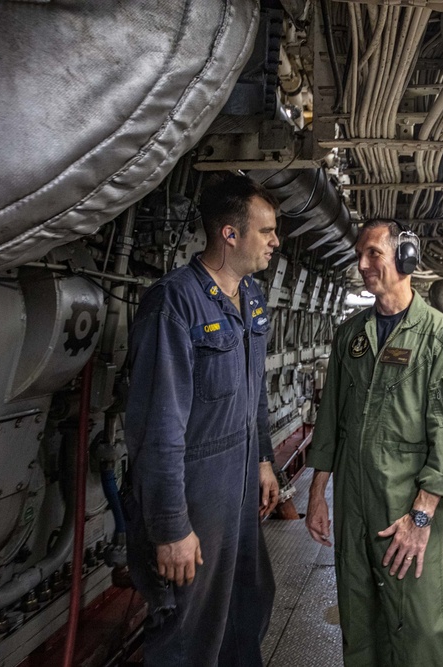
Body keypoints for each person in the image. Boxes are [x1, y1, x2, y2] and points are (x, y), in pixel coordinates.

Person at [123, 172, 281, 666]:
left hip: (237, 487)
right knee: (189, 631)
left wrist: (262, 461)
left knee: (248, 604)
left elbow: (253, 392)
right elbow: (158, 427)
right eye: (266, 231)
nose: (276, 242)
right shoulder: (174, 303)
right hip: (196, 493)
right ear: (229, 234)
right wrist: (171, 527)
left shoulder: (250, 296)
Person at [305, 219, 443, 666]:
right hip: (353, 506)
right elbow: (331, 419)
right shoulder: (351, 335)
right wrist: (318, 492)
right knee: (358, 622)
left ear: (405, 258)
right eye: (360, 256)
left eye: (373, 254)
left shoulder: (442, 338)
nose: (362, 265)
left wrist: (421, 517)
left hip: (405, 505)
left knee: (420, 628)